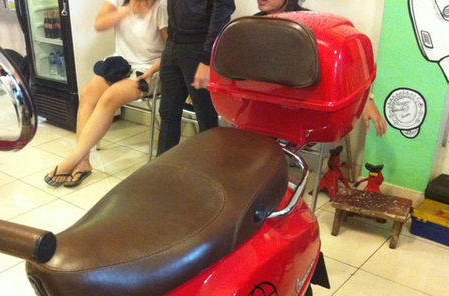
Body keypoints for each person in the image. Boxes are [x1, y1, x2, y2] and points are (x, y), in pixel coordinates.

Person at [44, 0, 168, 187]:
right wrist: (125, 11)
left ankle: (71, 159)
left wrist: (150, 73)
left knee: (109, 98)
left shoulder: (161, 6)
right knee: (87, 94)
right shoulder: (121, 2)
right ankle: (83, 162)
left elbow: (171, 50)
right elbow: (99, 23)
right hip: (119, 65)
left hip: (149, 71)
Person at [255, 0, 387, 137]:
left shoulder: (311, 24)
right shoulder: (251, 25)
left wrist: (366, 100)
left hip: (302, 108)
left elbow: (350, 64)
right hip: (264, 105)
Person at [155, 0, 236, 156]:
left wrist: (206, 59)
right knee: (167, 112)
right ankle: (162, 165)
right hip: (173, 44)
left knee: (205, 116)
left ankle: (209, 165)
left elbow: (223, 8)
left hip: (198, 48)